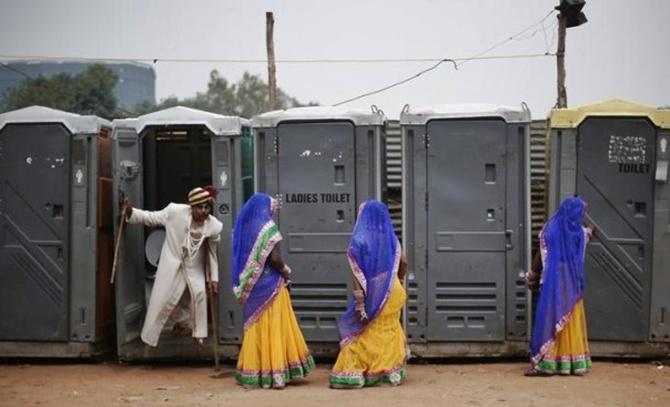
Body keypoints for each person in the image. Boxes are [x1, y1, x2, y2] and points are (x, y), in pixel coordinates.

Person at [121, 186, 222, 347]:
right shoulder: (175, 212)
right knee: (163, 299)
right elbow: (151, 217)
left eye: (207, 207)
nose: (204, 211)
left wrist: (213, 279)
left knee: (200, 294)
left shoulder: (214, 226)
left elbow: (211, 254)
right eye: (199, 207)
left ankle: (199, 335)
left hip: (194, 268)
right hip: (172, 265)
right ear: (191, 206)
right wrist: (131, 212)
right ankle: (150, 337)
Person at [232, 193, 314, 389]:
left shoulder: (244, 230)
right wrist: (287, 272)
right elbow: (275, 259)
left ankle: (256, 372)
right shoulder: (268, 228)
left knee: (256, 327)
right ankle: (277, 374)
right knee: (275, 327)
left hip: (253, 289)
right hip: (271, 285)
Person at [330, 200, 408, 389]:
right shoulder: (390, 238)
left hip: (374, 291)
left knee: (363, 330)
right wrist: (397, 282)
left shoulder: (360, 239)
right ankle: (386, 373)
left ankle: (355, 373)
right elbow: (404, 261)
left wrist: (359, 303)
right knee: (387, 330)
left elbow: (356, 274)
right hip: (394, 289)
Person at [525, 196, 594, 376]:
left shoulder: (549, 231)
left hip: (552, 285)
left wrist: (532, 276)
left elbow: (539, 257)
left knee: (551, 319)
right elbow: (593, 232)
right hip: (571, 287)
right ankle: (572, 364)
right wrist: (586, 224)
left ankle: (548, 364)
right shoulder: (580, 233)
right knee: (569, 321)